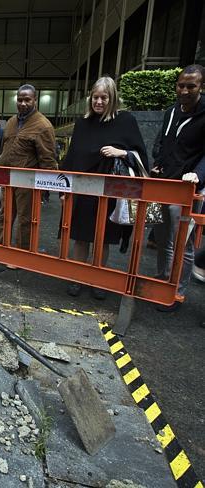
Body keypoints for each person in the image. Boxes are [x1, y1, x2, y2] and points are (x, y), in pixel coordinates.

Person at [61, 76, 148, 299]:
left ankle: (98, 279)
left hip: (110, 192)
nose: (98, 102)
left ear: (112, 98)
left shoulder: (125, 120)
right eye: (95, 97)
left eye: (103, 98)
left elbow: (141, 156)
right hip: (83, 190)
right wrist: (63, 188)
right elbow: (72, 156)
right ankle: (77, 278)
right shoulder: (82, 123)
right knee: (81, 237)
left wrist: (122, 152)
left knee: (103, 238)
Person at [151, 64, 205, 312]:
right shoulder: (171, 112)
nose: (184, 90)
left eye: (190, 86)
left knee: (183, 242)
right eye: (181, 85)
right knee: (162, 236)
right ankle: (162, 280)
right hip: (165, 183)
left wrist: (198, 175)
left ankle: (177, 292)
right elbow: (162, 140)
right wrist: (158, 161)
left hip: (189, 187)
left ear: (201, 87)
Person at [0, 84, 57, 250]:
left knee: (25, 218)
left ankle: (21, 253)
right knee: (5, 215)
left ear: (35, 100)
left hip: (28, 182)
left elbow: (48, 158)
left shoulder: (43, 125)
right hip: (8, 178)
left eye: (27, 100)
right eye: (20, 100)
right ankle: (3, 248)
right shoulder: (10, 122)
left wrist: (46, 186)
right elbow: (4, 147)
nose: (23, 103)